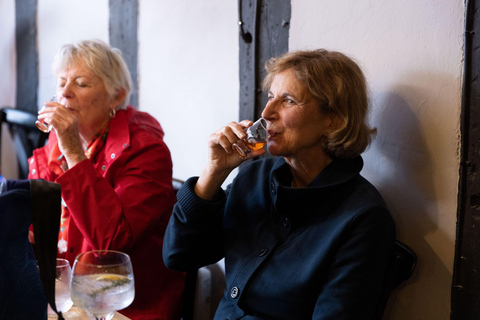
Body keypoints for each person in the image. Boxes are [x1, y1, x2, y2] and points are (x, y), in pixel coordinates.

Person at [163, 49, 396, 319]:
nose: (266, 112)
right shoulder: (254, 177)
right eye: (271, 97)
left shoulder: (363, 219)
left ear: (333, 118)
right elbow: (179, 256)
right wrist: (213, 172)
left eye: (288, 100)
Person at [28, 40, 185, 320]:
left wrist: (74, 153)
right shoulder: (56, 142)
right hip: (64, 292)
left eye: (81, 83)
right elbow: (37, 225)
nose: (65, 92)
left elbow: (109, 242)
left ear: (116, 97)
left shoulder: (147, 152)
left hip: (123, 305)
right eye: (62, 82)